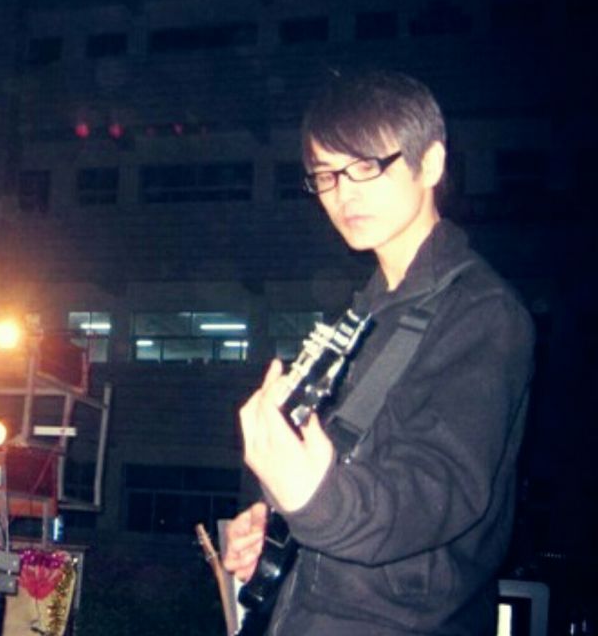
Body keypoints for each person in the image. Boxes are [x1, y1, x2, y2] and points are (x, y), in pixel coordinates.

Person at [223, 69, 535, 636]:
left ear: (430, 164)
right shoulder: (361, 318)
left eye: (366, 166)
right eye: (326, 174)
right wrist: (275, 522)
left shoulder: (484, 313)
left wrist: (314, 499)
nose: (344, 193)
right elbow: (343, 468)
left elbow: (435, 490)